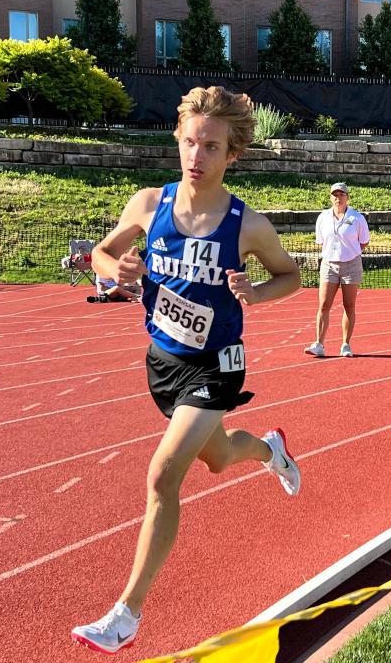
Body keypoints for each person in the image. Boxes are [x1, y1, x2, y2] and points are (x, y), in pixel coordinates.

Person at [71, 86, 303, 655]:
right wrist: (114, 269)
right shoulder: (148, 205)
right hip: (163, 362)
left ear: (232, 155)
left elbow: (291, 276)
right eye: (190, 142)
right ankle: (269, 448)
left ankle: (127, 613)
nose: (197, 156)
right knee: (220, 459)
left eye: (212, 146)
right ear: (178, 141)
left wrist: (257, 291)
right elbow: (99, 254)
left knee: (162, 476)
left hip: (217, 365)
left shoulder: (249, 226)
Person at [304, 182, 370, 358]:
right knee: (324, 304)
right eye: (335, 194)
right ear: (330, 197)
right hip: (329, 264)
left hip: (351, 264)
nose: (338, 198)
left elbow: (364, 241)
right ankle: (319, 344)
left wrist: (350, 253)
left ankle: (345, 345)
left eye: (341, 194)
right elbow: (321, 241)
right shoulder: (323, 218)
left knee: (349, 305)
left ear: (347, 197)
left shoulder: (357, 218)